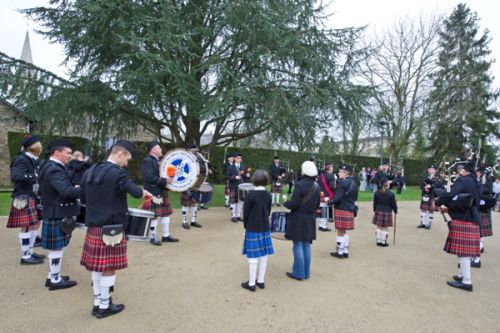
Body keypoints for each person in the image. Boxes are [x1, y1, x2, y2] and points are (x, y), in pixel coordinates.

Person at [80, 140, 152, 318]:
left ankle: (97, 303)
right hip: (111, 229)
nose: (126, 163)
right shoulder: (117, 173)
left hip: (94, 226)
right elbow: (135, 192)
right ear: (120, 154)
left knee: (97, 268)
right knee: (109, 267)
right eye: (127, 159)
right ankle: (105, 307)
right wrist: (145, 193)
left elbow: (82, 195)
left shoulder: (90, 171)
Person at [38, 139, 80, 290]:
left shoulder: (49, 166)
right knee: (57, 248)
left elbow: (60, 188)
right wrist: (81, 189)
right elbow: (66, 192)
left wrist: (71, 187)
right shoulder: (55, 169)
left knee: (58, 248)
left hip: (54, 210)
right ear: (57, 152)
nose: (70, 156)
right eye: (68, 153)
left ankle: (52, 276)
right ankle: (55, 280)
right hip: (57, 212)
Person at [437, 160, 480, 292]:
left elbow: (451, 195)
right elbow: (467, 200)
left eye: (461, 169)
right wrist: (448, 209)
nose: (460, 172)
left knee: (463, 253)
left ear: (465, 170)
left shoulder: (463, 180)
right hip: (472, 216)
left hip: (463, 218)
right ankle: (461, 275)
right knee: (463, 252)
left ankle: (467, 282)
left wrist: (439, 201)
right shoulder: (474, 182)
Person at [6, 135, 45, 265]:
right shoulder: (21, 159)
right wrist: (35, 176)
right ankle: (25, 256)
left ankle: (30, 250)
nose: (40, 145)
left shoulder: (35, 159)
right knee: (26, 227)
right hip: (24, 196)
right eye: (38, 143)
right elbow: (16, 176)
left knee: (35, 224)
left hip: (33, 196)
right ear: (32, 147)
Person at [283, 161, 320, 281]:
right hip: (310, 218)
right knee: (306, 245)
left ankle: (298, 273)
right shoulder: (316, 185)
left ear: (304, 171)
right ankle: (306, 272)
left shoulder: (299, 184)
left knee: (298, 244)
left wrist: (285, 203)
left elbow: (293, 204)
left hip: (299, 218)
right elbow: (317, 204)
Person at [240, 170, 274, 292]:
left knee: (253, 256)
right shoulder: (269, 195)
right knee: (263, 255)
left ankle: (252, 283)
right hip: (265, 227)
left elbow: (246, 213)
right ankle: (261, 281)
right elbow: (268, 211)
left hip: (252, 228)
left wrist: (246, 225)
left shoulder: (250, 195)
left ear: (254, 180)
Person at [140, 140, 178, 246]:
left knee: (166, 213)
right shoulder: (147, 161)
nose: (161, 149)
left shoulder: (160, 161)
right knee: (154, 215)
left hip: (162, 191)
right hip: (153, 192)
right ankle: (153, 237)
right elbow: (149, 177)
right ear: (153, 150)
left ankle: (165, 235)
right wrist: (165, 181)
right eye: (159, 148)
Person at [330, 164, 358, 259]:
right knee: (344, 231)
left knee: (340, 231)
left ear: (346, 173)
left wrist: (330, 201)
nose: (338, 173)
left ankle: (340, 252)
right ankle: (345, 251)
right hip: (350, 208)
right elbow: (355, 198)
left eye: (340, 172)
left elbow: (337, 198)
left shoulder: (342, 183)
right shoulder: (354, 183)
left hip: (341, 208)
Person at [471, 165, 494, 268]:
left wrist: (480, 183)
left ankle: (476, 259)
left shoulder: (487, 181)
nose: (477, 173)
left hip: (483, 208)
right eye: (477, 171)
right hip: (477, 207)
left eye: (479, 172)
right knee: (478, 233)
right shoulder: (476, 180)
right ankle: (479, 249)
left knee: (478, 233)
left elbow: (486, 192)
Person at [180, 144, 203, 229]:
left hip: (195, 183)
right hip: (186, 184)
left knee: (194, 203)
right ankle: (184, 221)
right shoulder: (184, 159)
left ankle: (193, 221)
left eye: (195, 150)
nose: (195, 152)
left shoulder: (197, 160)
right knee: (186, 204)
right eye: (193, 150)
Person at [418, 164, 446, 230]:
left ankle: (429, 223)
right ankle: (423, 223)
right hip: (425, 194)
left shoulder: (438, 177)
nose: (431, 170)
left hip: (433, 195)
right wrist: (424, 188)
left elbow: (439, 185)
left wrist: (430, 186)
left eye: (432, 169)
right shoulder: (426, 177)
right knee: (423, 209)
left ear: (435, 170)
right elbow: (421, 184)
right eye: (430, 169)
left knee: (431, 209)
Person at [372, 178, 398, 247]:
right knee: (384, 227)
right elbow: (393, 204)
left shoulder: (377, 192)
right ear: (387, 184)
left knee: (379, 226)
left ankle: (378, 241)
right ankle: (383, 242)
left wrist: (375, 210)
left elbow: (375, 203)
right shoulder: (391, 194)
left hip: (378, 211)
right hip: (387, 212)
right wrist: (396, 210)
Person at [225, 152, 250, 222]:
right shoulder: (230, 167)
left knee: (240, 202)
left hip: (241, 187)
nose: (239, 159)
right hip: (233, 186)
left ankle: (238, 216)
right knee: (233, 202)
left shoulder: (243, 167)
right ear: (235, 159)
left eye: (240, 158)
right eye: (238, 158)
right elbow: (227, 176)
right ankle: (233, 216)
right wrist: (234, 177)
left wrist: (247, 175)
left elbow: (244, 177)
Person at [317, 162, 336, 232]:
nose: (332, 168)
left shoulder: (321, 175)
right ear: (330, 168)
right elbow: (332, 187)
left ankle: (321, 225)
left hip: (320, 194)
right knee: (326, 210)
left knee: (322, 209)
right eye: (332, 167)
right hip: (328, 195)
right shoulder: (331, 176)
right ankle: (323, 226)